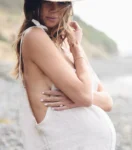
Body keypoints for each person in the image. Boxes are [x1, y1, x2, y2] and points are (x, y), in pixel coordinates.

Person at [12, 0, 116, 149]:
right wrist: (80, 97)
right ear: (36, 3)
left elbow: (107, 101)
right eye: (48, 2)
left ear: (68, 6)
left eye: (61, 3)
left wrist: (74, 98)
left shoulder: (68, 45)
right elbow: (85, 96)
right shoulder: (34, 36)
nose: (54, 9)